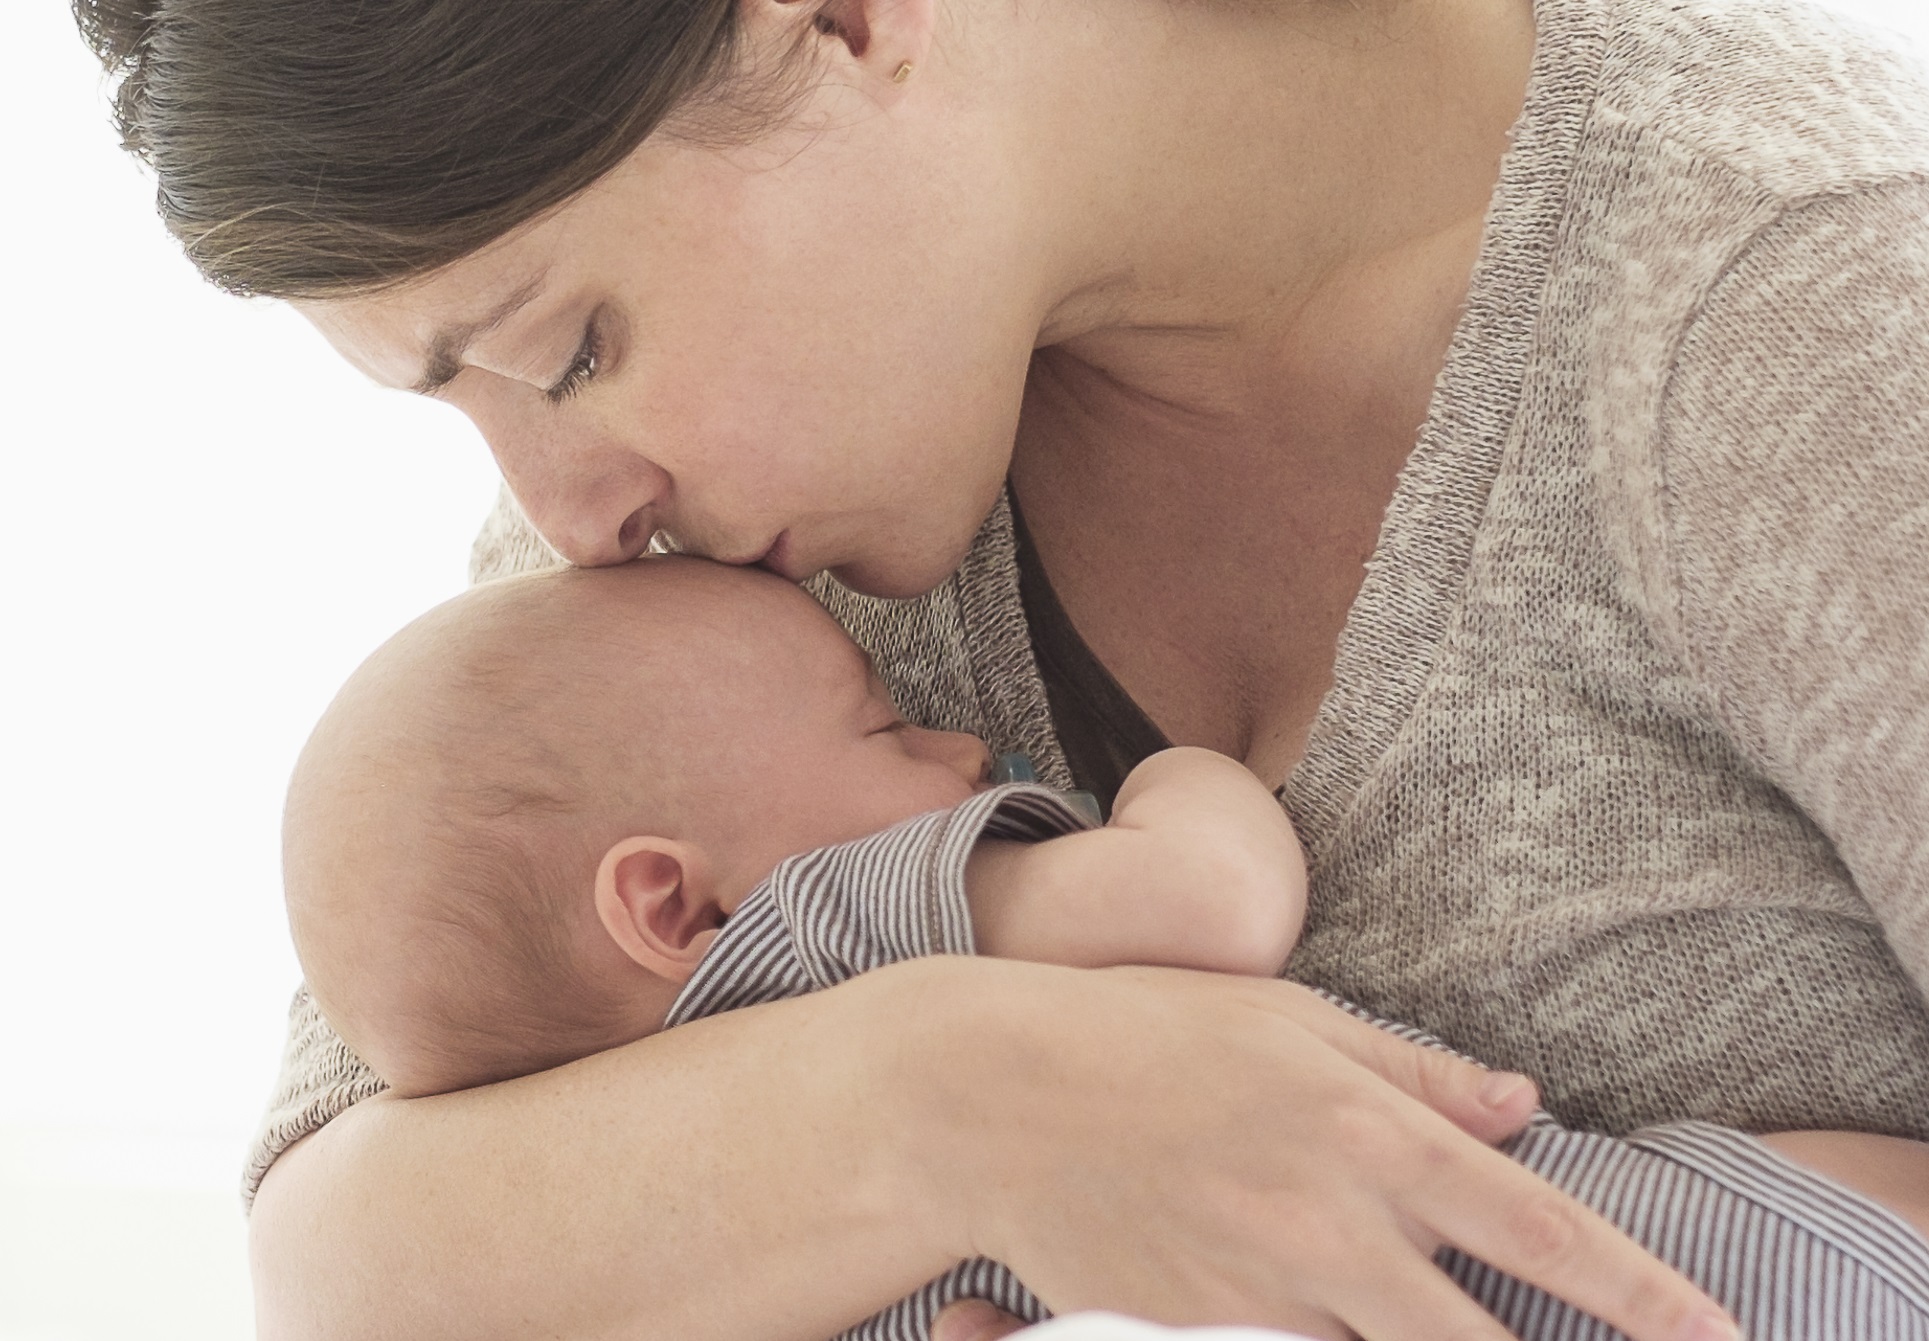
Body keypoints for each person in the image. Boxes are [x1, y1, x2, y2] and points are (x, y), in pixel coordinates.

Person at [74, 0, 1929, 1335]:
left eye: (567, 351)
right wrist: (961, 1098)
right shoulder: (742, 534)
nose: (567, 518)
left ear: (844, 19)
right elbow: (346, 1251)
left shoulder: (1804, 317)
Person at [281, 555, 1929, 1341]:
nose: (951, 752)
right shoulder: (843, 923)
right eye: (881, 719)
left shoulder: (662, 1248)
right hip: (1621, 1270)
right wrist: (1173, 774)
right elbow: (1211, 909)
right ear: (672, 906)